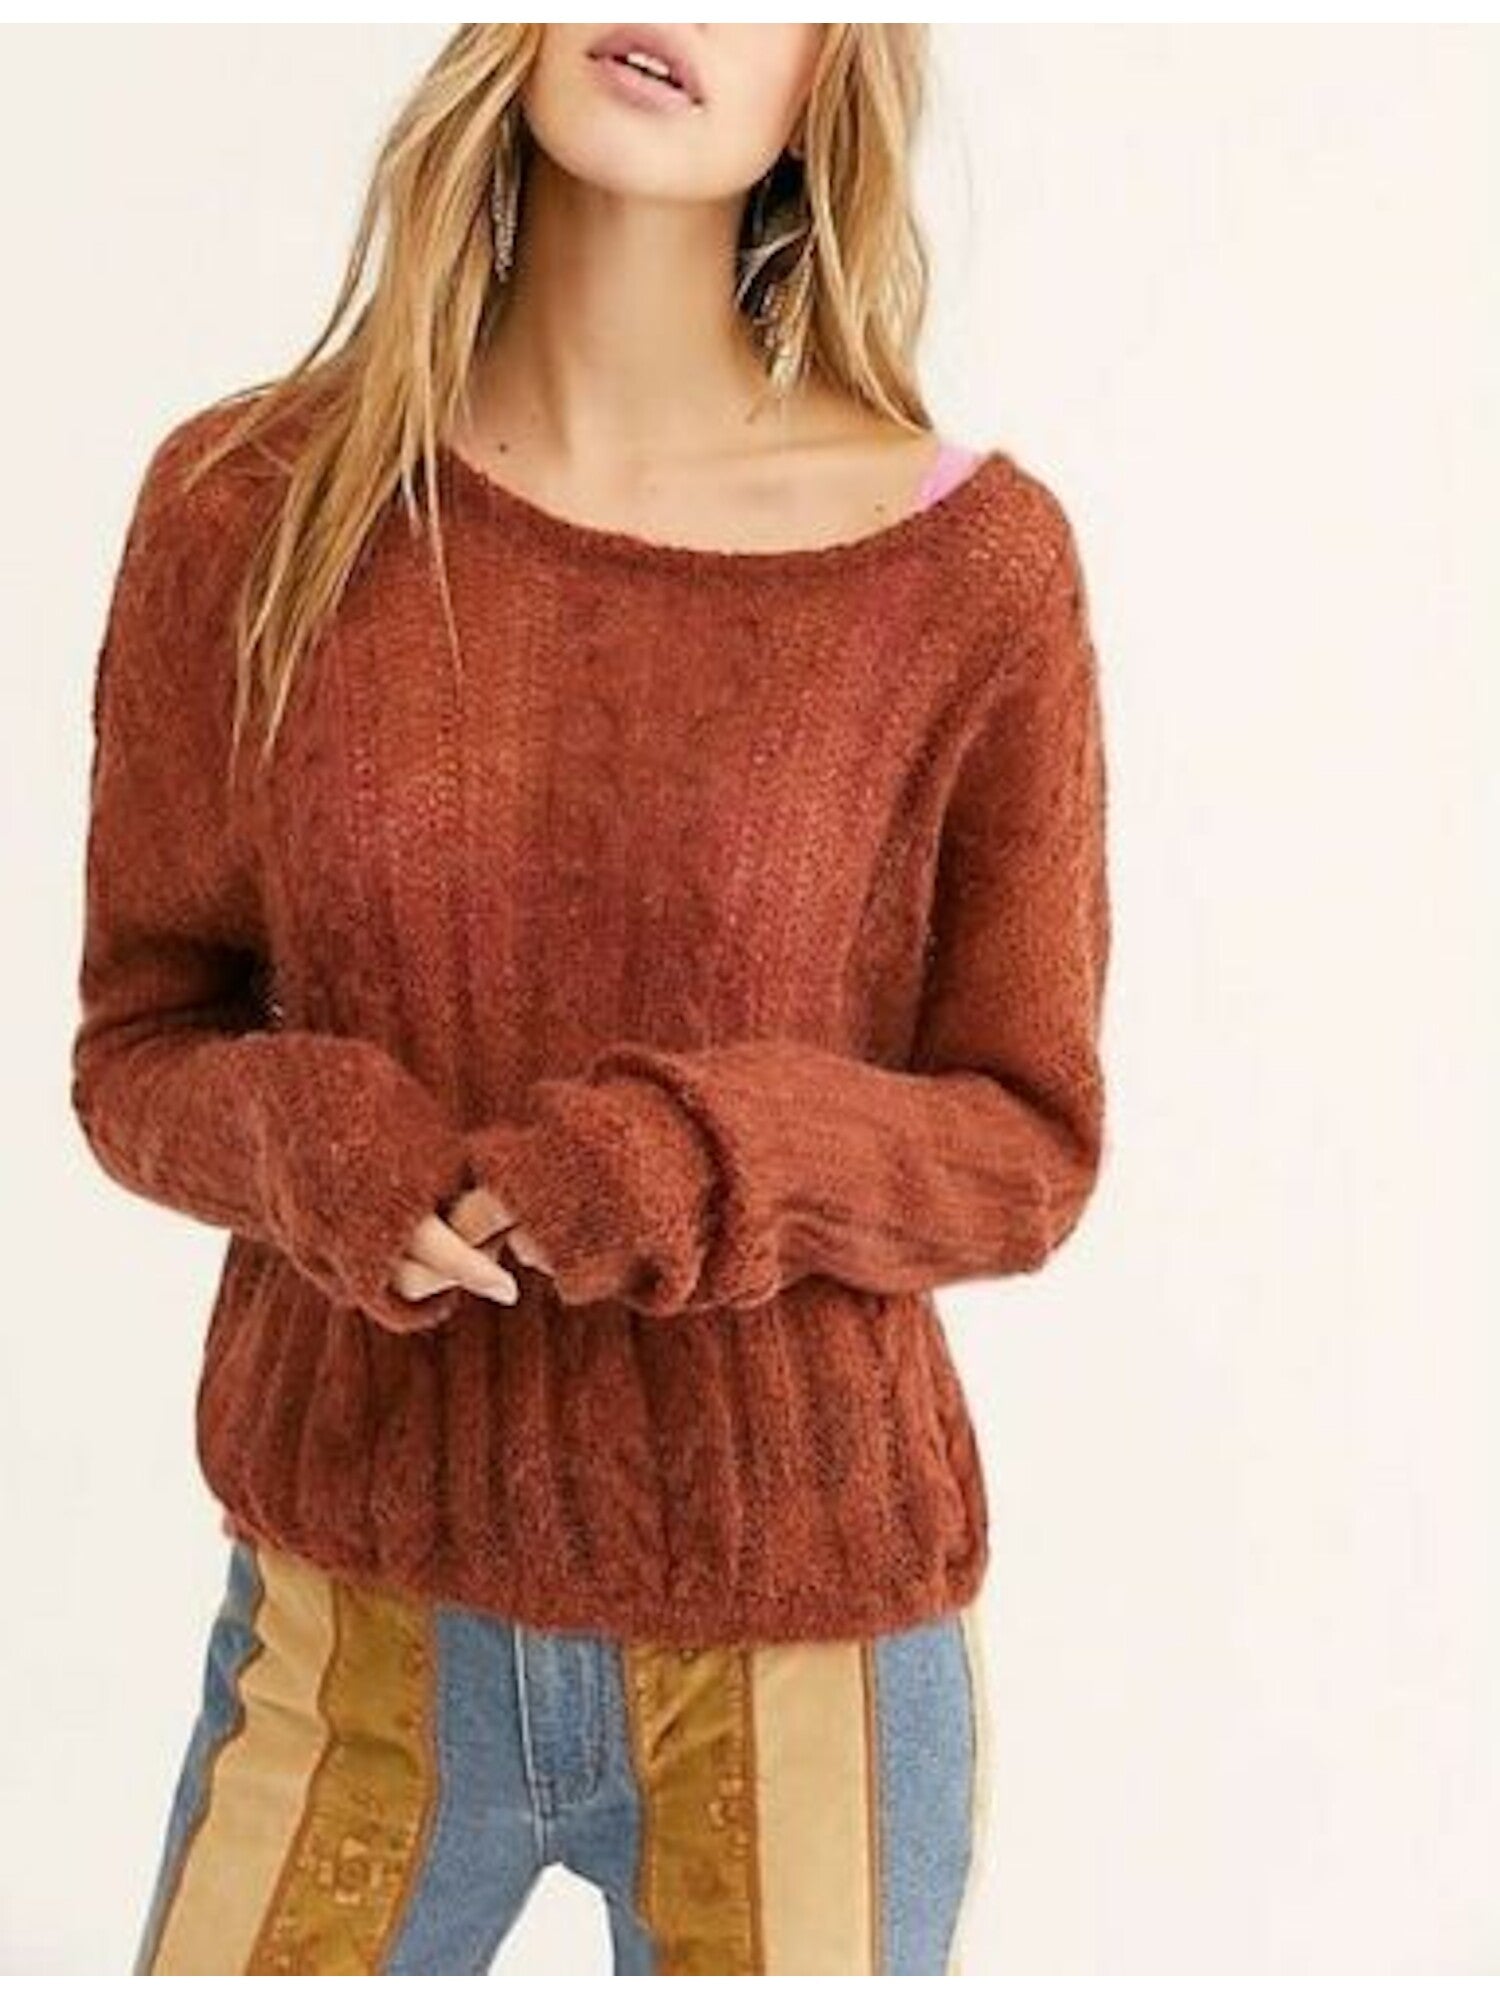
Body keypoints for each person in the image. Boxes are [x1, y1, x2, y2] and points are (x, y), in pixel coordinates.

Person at [70, 23, 1111, 1977]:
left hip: (805, 1661)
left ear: (831, 79)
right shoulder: (249, 504)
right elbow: (140, 1046)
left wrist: (698, 1161)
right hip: (346, 1636)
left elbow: (1027, 1141)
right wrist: (319, 1147)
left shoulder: (965, 570)